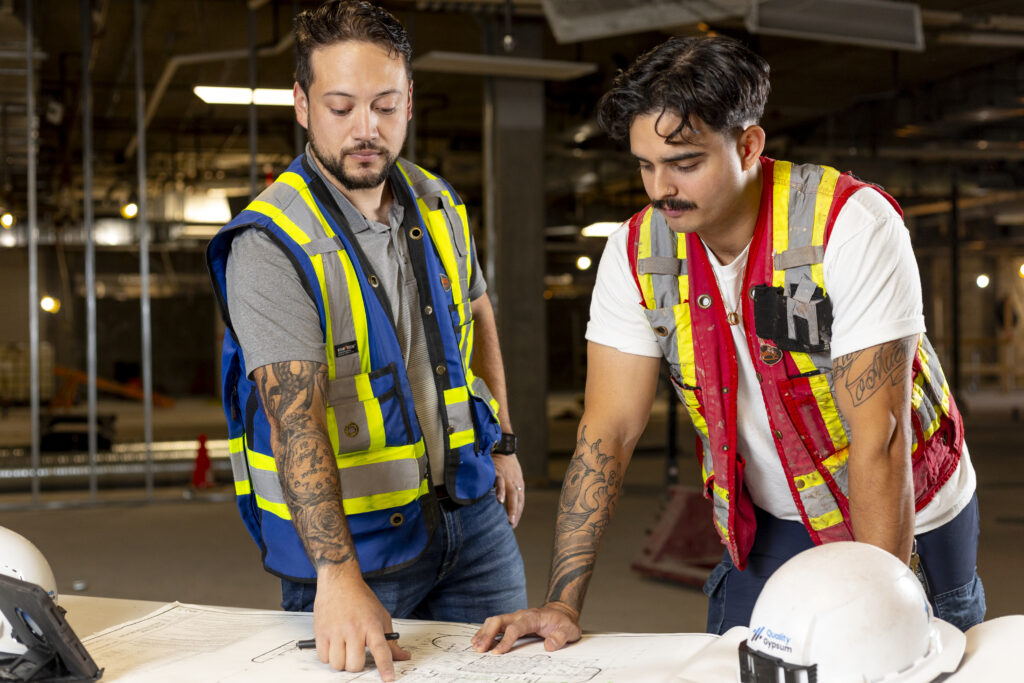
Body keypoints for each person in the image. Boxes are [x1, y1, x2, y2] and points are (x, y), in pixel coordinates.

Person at [473, 35, 984, 654]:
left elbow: (881, 439)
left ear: (748, 144)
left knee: (891, 660)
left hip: (909, 519)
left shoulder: (851, 225)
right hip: (769, 521)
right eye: (645, 164)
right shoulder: (637, 254)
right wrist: (561, 603)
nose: (660, 188)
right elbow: (608, 429)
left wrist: (877, 611)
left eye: (684, 162)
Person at [206, 2, 527, 679]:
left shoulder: (438, 202)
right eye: (342, 105)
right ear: (301, 103)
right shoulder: (271, 243)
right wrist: (337, 573)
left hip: (472, 521)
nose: (366, 129)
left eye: (385, 105)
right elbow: (293, 419)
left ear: (409, 100)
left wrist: (502, 442)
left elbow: (479, 312)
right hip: (358, 549)